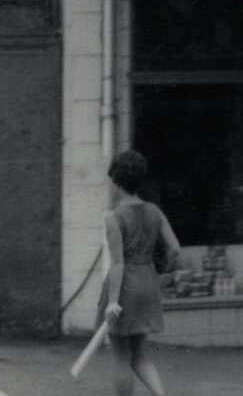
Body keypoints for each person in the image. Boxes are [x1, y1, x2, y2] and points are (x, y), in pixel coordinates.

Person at [102, 150, 181, 396]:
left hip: (125, 287)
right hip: (148, 280)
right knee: (139, 354)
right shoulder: (154, 211)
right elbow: (175, 249)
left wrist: (112, 301)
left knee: (120, 356)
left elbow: (118, 262)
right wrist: (163, 273)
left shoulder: (114, 217)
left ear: (116, 183)